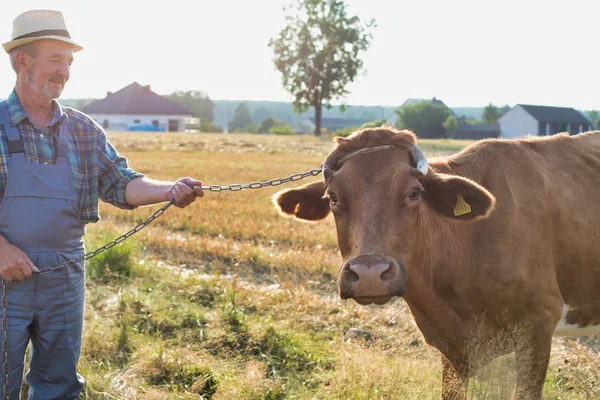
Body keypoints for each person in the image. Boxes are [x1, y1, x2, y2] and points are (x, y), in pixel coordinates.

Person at [0, 9, 204, 399]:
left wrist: (168, 190)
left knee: (59, 385)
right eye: (56, 60)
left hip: (64, 275)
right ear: (22, 60)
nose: (65, 71)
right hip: (4, 277)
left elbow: (122, 184)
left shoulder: (82, 130)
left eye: (70, 62)